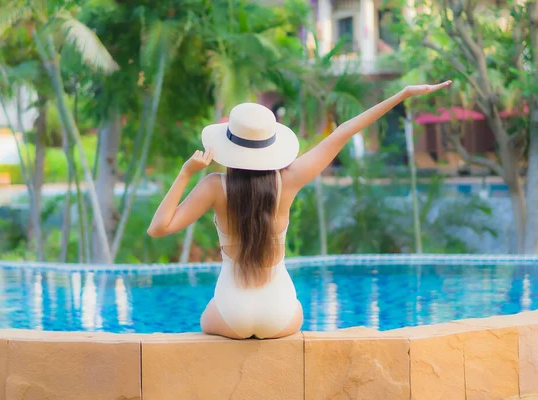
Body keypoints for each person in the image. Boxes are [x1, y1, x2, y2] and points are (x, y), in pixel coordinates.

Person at [148, 81, 452, 339]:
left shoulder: (214, 186)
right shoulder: (288, 181)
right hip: (280, 313)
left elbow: (158, 228)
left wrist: (187, 172)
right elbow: (343, 132)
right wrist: (403, 94)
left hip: (231, 314)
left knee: (204, 316)